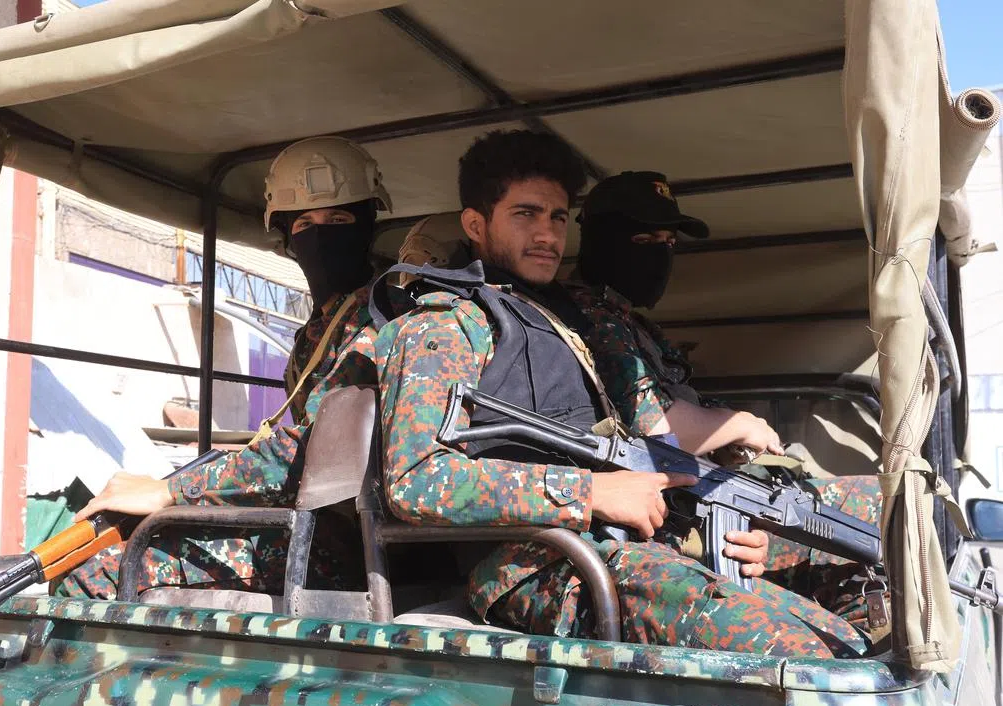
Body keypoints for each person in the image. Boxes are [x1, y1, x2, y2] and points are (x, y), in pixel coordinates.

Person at [372, 129, 868, 657]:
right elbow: (414, 479)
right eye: (525, 214)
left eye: (558, 218)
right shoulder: (446, 326)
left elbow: (639, 441)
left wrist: (726, 529)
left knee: (844, 637)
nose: (546, 234)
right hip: (532, 561)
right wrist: (593, 493)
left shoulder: (571, 322)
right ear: (476, 224)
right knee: (799, 650)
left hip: (627, 543)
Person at [57, 136, 391, 598]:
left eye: (339, 220)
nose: (322, 235)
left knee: (102, 574)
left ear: (368, 224)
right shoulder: (321, 327)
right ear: (286, 236)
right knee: (104, 547)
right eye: (306, 224)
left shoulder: (382, 320)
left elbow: (310, 453)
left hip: (353, 541)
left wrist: (172, 492)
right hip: (308, 524)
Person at [569, 171, 885, 629]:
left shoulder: (633, 324)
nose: (661, 252)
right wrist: (737, 423)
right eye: (645, 238)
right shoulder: (592, 316)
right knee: (874, 513)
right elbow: (656, 427)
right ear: (600, 238)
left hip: (706, 496)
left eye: (669, 242)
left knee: (885, 516)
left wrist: (727, 443)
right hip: (665, 517)